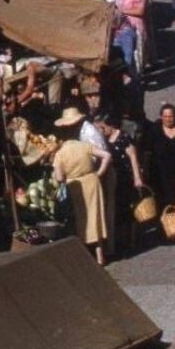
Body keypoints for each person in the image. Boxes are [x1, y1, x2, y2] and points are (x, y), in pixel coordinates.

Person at [52, 111, 112, 264]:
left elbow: (59, 178)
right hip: (92, 182)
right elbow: (107, 155)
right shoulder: (85, 146)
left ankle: (84, 256)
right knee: (95, 218)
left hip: (74, 185)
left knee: (80, 220)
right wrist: (99, 173)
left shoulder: (60, 153)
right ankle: (100, 255)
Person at [143, 103, 175, 218]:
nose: (168, 119)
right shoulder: (154, 130)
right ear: (161, 117)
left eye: (170, 116)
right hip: (160, 172)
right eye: (165, 117)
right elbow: (147, 151)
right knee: (162, 199)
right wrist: (145, 170)